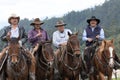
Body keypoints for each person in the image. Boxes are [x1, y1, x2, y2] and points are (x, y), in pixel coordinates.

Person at [0, 14, 35, 79]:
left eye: (16, 18)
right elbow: (1, 38)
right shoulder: (6, 28)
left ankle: (31, 74)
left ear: (18, 20)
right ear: (10, 20)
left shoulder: (21, 28)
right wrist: (6, 37)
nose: (15, 19)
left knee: (31, 57)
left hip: (19, 45)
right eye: (13, 18)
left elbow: (25, 37)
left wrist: (21, 41)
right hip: (9, 46)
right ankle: (2, 75)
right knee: (1, 57)